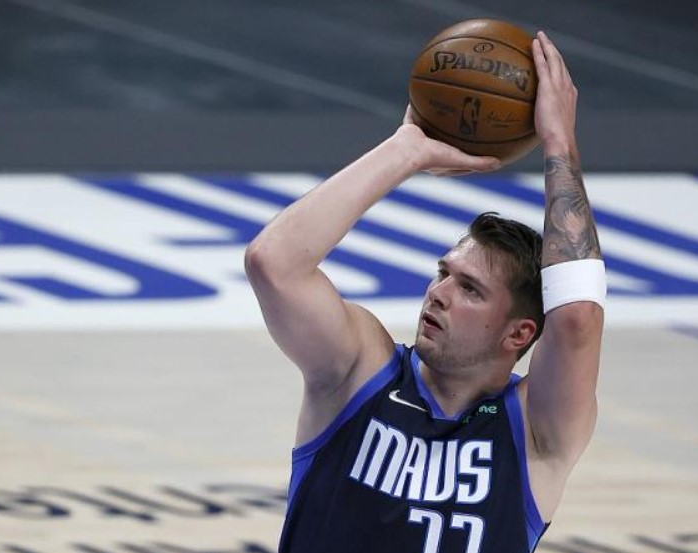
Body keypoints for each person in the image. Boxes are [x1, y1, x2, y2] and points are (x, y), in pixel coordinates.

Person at [245, 31, 605, 553]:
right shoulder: (360, 371)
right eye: (444, 273)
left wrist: (559, 144)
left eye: (470, 290)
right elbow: (273, 263)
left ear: (519, 333)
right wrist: (405, 149)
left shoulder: (534, 430)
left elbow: (576, 319)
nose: (438, 293)